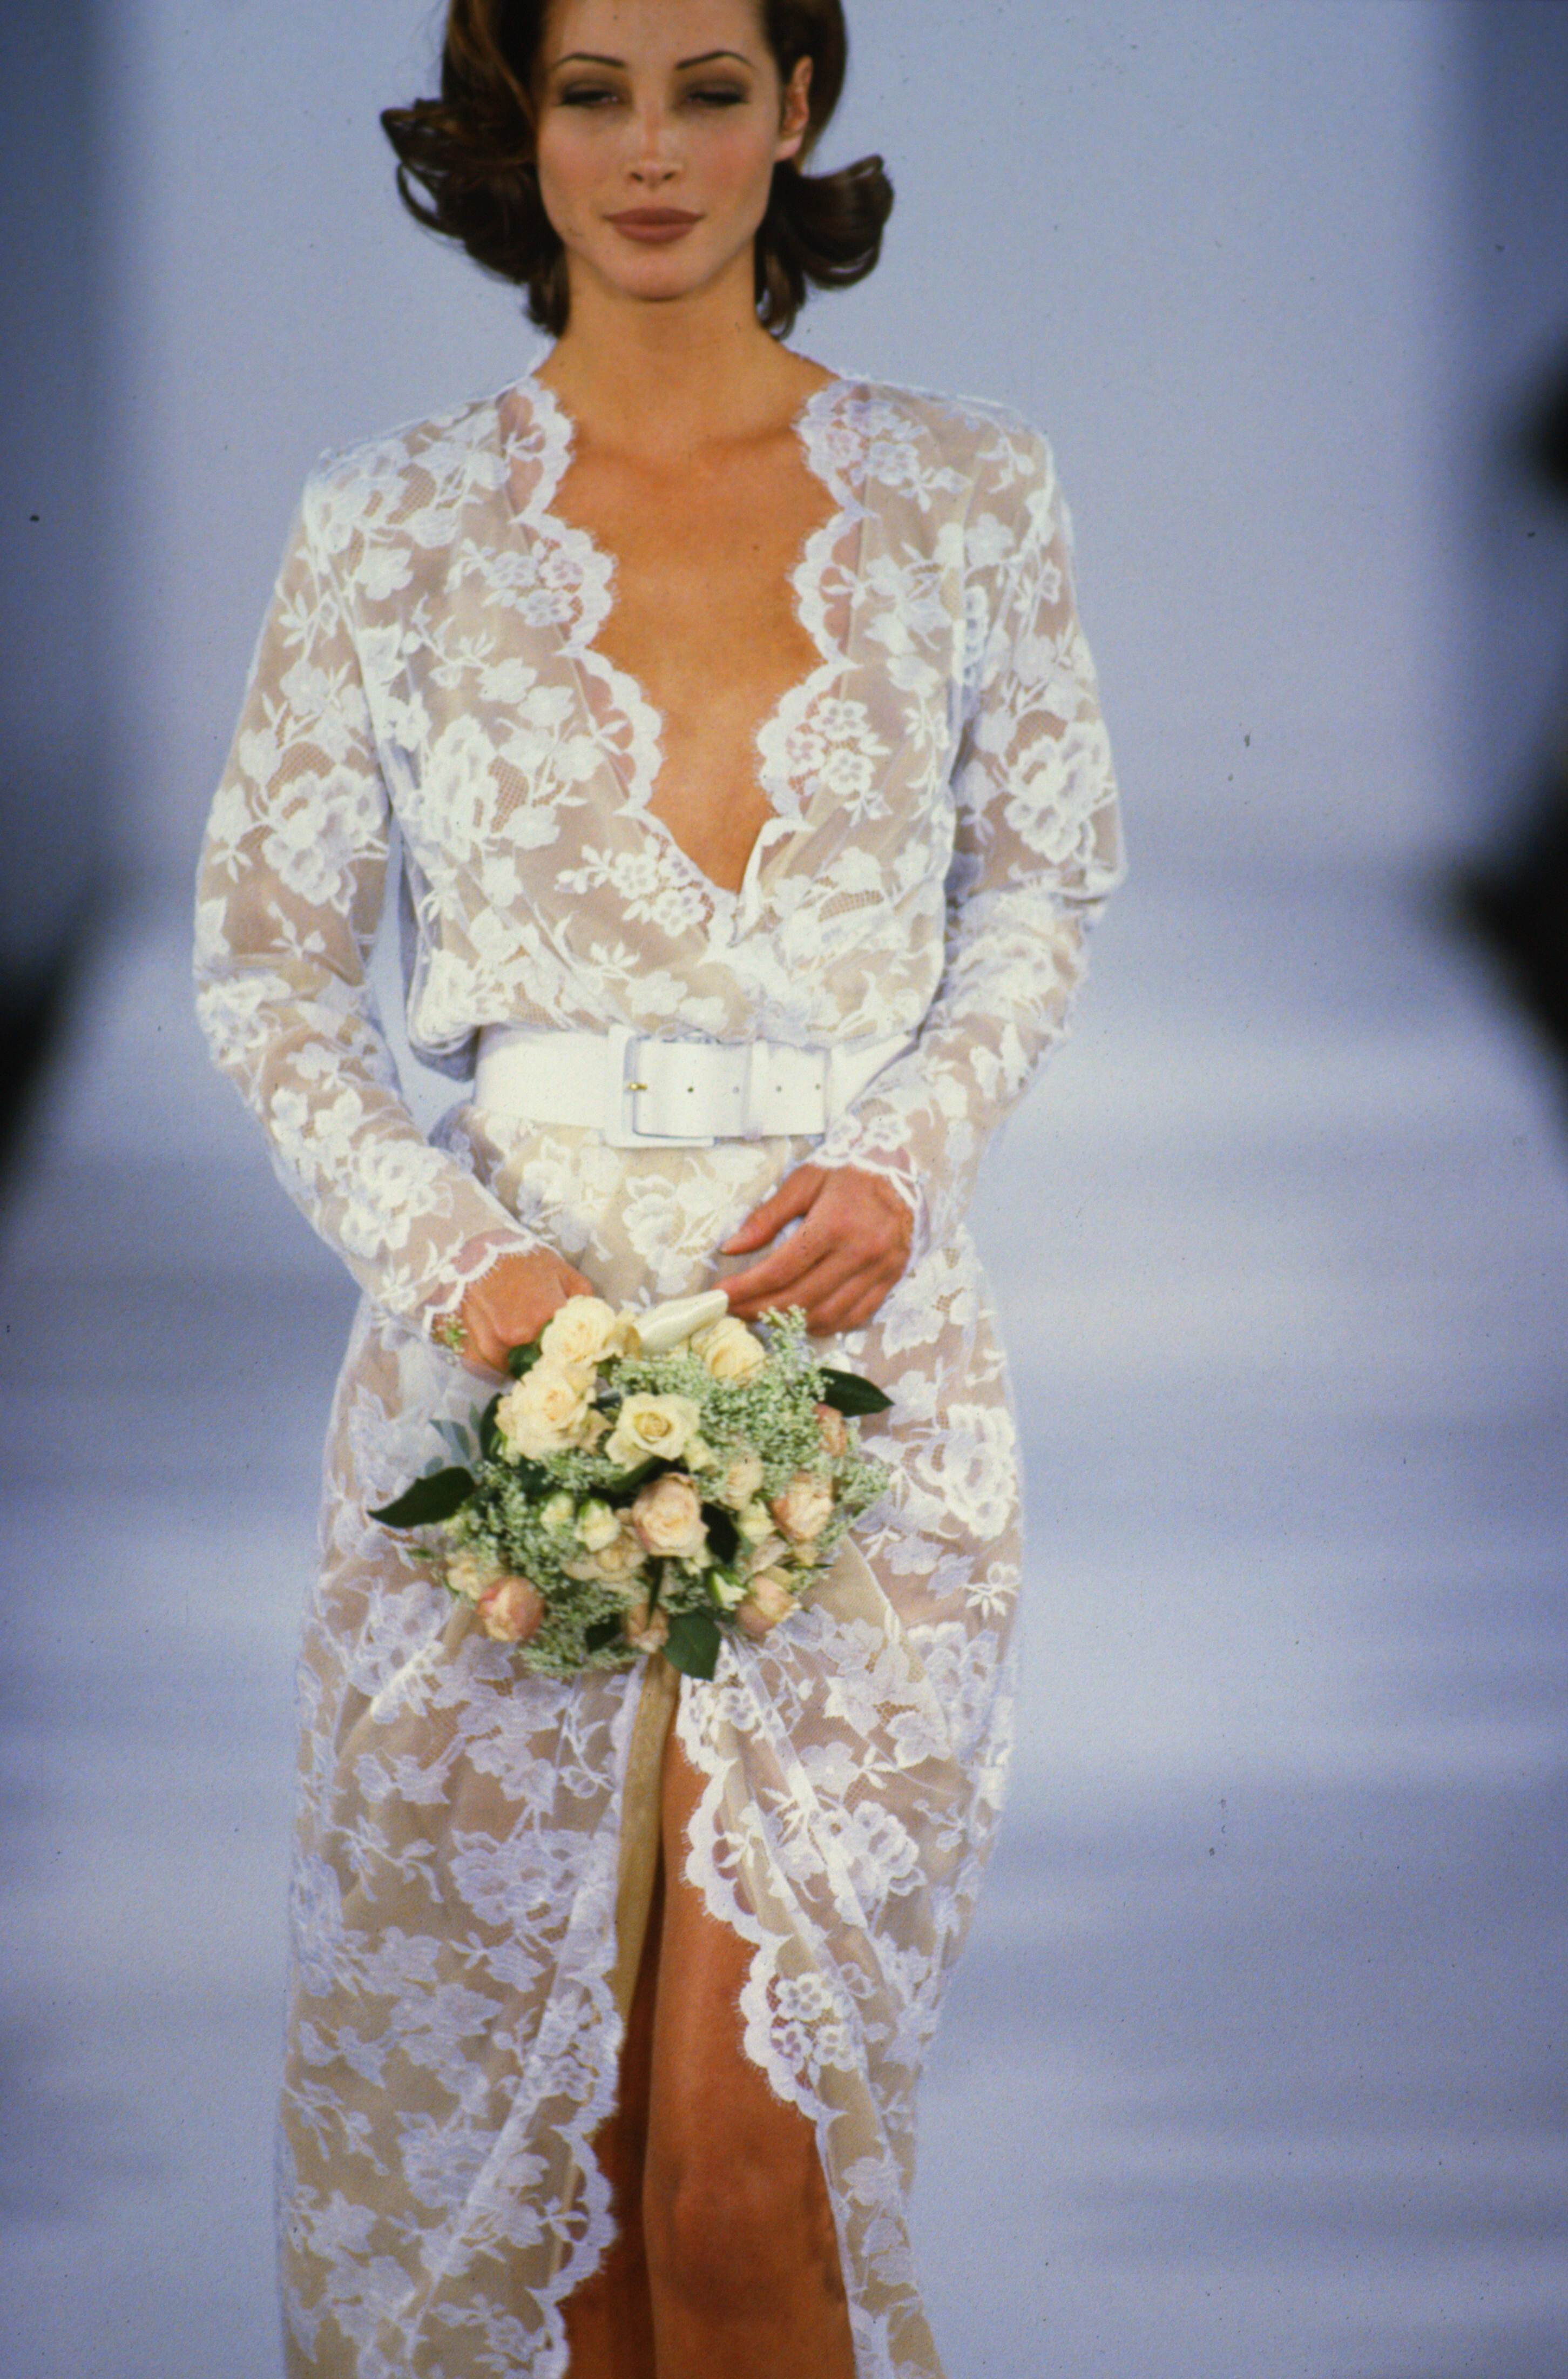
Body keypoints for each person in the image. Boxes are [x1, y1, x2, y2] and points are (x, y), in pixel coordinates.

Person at [192, 1, 1125, 2372]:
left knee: (737, 2173)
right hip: (495, 1392)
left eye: (710, 90)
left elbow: (1039, 884)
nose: (652, 153)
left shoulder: (967, 490)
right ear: (519, 120)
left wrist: (906, 1160)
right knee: (562, 2208)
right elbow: (270, 967)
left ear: (797, 109)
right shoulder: (390, 524)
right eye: (595, 92)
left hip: (858, 1371)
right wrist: (462, 1263)